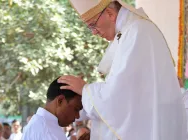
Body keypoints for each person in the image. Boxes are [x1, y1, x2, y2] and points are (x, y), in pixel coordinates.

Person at [58, 0, 187, 140]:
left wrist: (85, 90)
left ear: (110, 13)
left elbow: (118, 98)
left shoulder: (135, 32)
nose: (94, 32)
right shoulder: (132, 30)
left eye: (93, 25)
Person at [22, 78, 88, 140]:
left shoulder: (38, 123)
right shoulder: (49, 133)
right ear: (60, 101)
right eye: (76, 109)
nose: (78, 116)